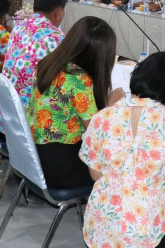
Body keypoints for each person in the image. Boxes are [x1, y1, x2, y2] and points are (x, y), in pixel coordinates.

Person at [60, 52, 165, 248]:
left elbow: (95, 174)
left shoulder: (102, 117)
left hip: (101, 220)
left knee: (125, 243)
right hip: (142, 223)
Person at [27, 16, 116, 189]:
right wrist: (112, 106)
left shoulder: (47, 65)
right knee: (124, 165)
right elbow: (95, 132)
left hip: (35, 158)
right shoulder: (79, 81)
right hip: (61, 167)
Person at [0, 0, 67, 132]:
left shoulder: (18, 28)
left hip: (4, 117)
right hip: (30, 126)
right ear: (57, 13)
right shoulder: (58, 39)